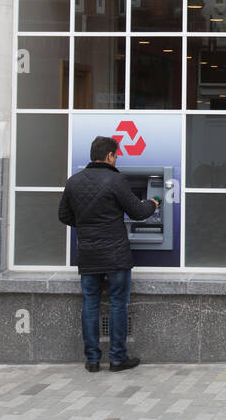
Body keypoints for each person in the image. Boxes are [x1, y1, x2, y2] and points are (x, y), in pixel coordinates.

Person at [58, 135, 159, 373]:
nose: (117, 159)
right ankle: (117, 358)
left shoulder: (74, 181)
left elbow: (63, 215)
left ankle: (92, 360)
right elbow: (137, 212)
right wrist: (154, 204)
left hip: (89, 253)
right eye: (116, 155)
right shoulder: (116, 180)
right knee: (118, 304)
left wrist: (86, 225)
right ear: (109, 156)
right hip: (115, 254)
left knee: (90, 303)